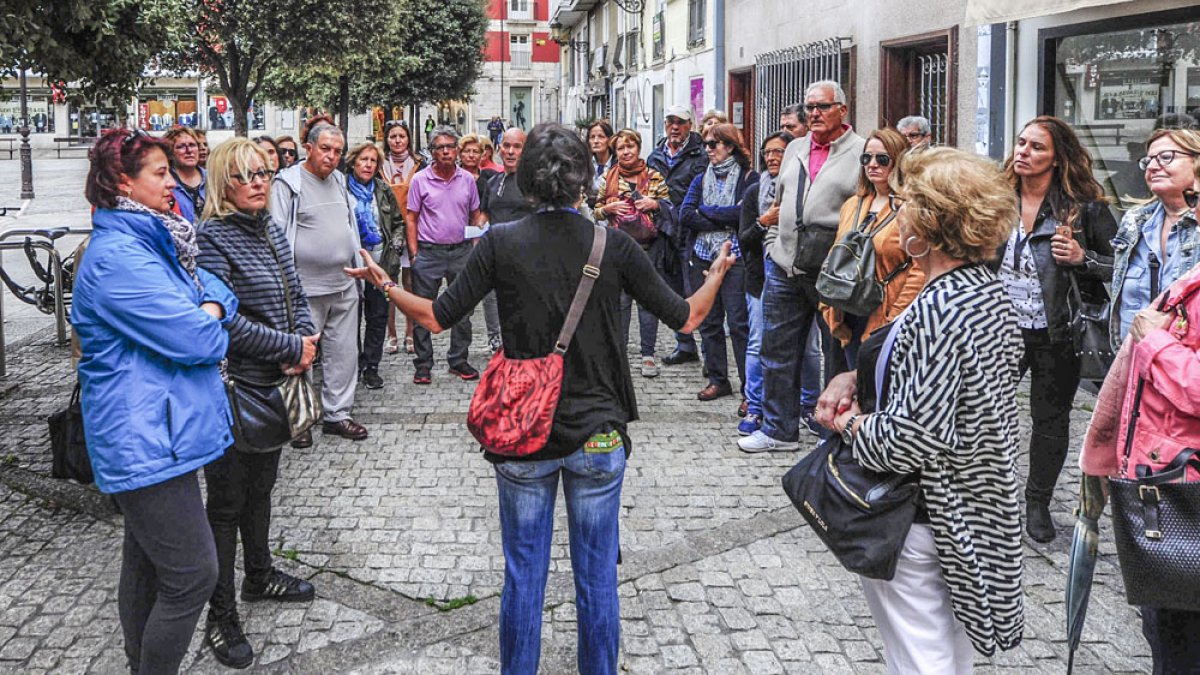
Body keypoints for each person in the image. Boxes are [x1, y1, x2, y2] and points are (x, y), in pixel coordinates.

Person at [345, 121, 734, 675]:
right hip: (599, 432)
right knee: (597, 581)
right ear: (585, 182)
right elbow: (689, 316)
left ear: (526, 183)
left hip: (522, 434)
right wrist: (716, 274)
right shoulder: (612, 244)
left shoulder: (501, 243)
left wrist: (385, 284)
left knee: (523, 579)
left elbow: (435, 316)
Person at [817, 147, 1025, 671]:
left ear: (930, 219)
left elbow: (911, 437)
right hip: (969, 502)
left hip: (925, 511)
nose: (899, 208)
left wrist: (849, 423)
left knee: (920, 656)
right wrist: (863, 374)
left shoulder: (939, 306)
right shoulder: (986, 291)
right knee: (947, 649)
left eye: (908, 200)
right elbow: (952, 385)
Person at [73, 128, 237, 674]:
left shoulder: (156, 239)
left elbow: (214, 286)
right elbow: (199, 337)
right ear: (123, 182)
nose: (172, 182)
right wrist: (212, 311)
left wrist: (209, 302)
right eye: (160, 174)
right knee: (193, 574)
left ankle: (138, 662)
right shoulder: (120, 255)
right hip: (142, 434)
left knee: (145, 564)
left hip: (161, 431)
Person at [194, 139, 319, 669]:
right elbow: (225, 320)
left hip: (274, 386)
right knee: (225, 503)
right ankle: (220, 617)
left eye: (264, 172)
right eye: (244, 175)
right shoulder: (211, 237)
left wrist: (306, 339)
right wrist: (290, 347)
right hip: (232, 389)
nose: (257, 182)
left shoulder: (266, 226)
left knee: (262, 489)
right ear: (224, 183)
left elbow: (293, 292)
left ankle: (260, 575)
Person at [1080, 208, 1200, 671]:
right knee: (1166, 630)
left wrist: (1153, 342)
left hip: (1184, 487)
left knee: (1178, 639)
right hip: (1168, 475)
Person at [994, 116, 1117, 543]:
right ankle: (989, 497)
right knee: (985, 412)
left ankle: (1037, 503)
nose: (1023, 152)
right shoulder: (995, 198)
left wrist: (1083, 258)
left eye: (1036, 147)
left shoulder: (1085, 208)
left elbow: (1120, 269)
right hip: (999, 328)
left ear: (1058, 159)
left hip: (1056, 331)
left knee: (1049, 420)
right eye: (1021, 142)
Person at [739, 80, 865, 453]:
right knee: (777, 349)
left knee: (836, 351)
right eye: (809, 107)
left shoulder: (860, 153)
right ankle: (779, 429)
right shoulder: (794, 147)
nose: (814, 114)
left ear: (842, 109)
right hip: (784, 263)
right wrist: (772, 243)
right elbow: (779, 203)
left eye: (822, 107)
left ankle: (832, 429)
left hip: (832, 269)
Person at [272, 122, 369, 445]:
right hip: (303, 288)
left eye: (338, 151)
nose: (331, 157)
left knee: (344, 353)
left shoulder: (340, 181)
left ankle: (338, 415)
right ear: (309, 148)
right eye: (325, 149)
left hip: (343, 283)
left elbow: (348, 225)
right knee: (301, 355)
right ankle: (300, 421)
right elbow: (276, 233)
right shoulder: (287, 184)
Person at [821, 128, 926, 367]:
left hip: (885, 309)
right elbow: (837, 252)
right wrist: (827, 305)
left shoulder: (910, 208)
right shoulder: (853, 204)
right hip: (847, 309)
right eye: (866, 158)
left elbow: (919, 269)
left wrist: (893, 318)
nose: (872, 164)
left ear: (898, 162)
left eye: (882, 159)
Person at [680, 123, 758, 401]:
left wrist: (708, 211)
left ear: (730, 146)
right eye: (705, 144)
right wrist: (721, 215)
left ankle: (750, 387)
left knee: (738, 323)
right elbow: (686, 215)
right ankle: (718, 379)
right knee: (709, 322)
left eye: (713, 144)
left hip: (735, 257)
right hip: (702, 255)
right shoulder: (700, 178)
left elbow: (743, 216)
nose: (708, 150)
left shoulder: (748, 178)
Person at [406, 125, 485, 384]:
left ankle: (459, 359)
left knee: (463, 309)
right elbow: (411, 217)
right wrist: (415, 253)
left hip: (461, 251)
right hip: (429, 253)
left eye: (450, 146)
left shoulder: (467, 180)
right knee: (422, 310)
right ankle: (423, 363)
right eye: (440, 147)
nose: (446, 151)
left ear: (457, 150)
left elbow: (475, 214)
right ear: (432, 152)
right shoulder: (420, 180)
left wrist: (475, 247)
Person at [1110, 128, 1200, 349]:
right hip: (1135, 362)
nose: (1152, 166)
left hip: (1185, 369)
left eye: (1166, 157)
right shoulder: (1135, 221)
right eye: (1148, 161)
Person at [593, 128, 671, 377]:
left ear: (639, 148)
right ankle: (619, 352)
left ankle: (648, 355)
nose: (626, 152)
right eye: (621, 148)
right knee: (620, 303)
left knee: (648, 304)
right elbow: (595, 210)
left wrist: (654, 204)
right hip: (618, 250)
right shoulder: (608, 177)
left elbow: (670, 209)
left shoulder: (654, 176)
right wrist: (607, 208)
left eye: (631, 147)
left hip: (649, 248)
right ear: (615, 152)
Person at [737, 131, 793, 435]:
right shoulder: (754, 192)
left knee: (803, 350)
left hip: (793, 278)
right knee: (758, 343)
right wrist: (764, 222)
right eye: (767, 152)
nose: (772, 158)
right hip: (759, 280)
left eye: (778, 152)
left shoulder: (800, 189)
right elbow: (744, 239)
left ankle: (804, 405)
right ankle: (755, 406)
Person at [647, 104, 709, 366]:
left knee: (697, 291)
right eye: (670, 121)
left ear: (689, 125)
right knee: (671, 291)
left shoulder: (701, 155)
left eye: (680, 122)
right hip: (665, 232)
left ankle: (710, 354)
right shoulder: (655, 156)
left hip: (692, 232)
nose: (675, 127)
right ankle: (685, 345)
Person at [345, 141, 404, 390]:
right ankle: (352, 363)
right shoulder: (340, 189)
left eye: (373, 161)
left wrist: (397, 244)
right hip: (350, 266)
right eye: (364, 160)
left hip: (380, 264)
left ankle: (371, 366)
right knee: (349, 319)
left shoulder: (382, 189)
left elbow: (398, 221)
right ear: (353, 162)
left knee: (377, 317)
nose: (368, 165)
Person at [479, 128, 531, 353]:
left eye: (517, 147)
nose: (510, 151)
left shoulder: (534, 183)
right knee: (492, 300)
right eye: (506, 146)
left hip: (526, 257)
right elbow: (484, 215)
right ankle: (495, 341)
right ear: (498, 149)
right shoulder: (493, 182)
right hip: (496, 255)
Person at [380, 120, 426, 356]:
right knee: (389, 285)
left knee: (409, 286)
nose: (397, 141)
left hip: (411, 230)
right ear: (387, 140)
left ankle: (410, 332)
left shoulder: (419, 164)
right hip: (387, 232)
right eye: (392, 136)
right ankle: (391, 334)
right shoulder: (379, 165)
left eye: (401, 136)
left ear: (408, 138)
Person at [164, 127, 206, 223]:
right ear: (171, 153)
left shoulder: (212, 179)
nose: (189, 151)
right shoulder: (166, 183)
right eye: (181, 146)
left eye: (192, 145)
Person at [586, 120, 615, 207]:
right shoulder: (584, 163)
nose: (596, 141)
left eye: (601, 137)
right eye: (592, 137)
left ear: (609, 140)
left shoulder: (618, 164)